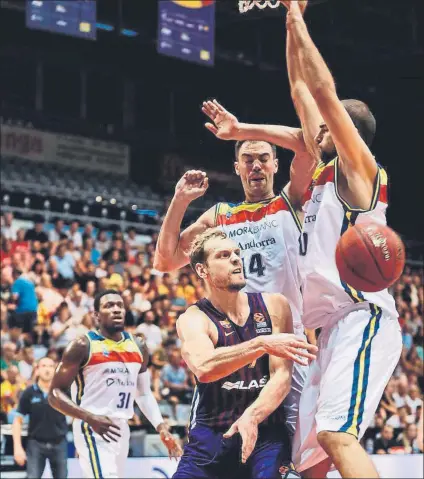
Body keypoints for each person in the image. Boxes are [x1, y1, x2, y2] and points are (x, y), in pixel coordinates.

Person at [154, 48, 322, 437]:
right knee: (229, 444)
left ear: (276, 165)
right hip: (237, 340)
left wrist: (242, 130)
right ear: (236, 168)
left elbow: (307, 142)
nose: (256, 165)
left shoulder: (291, 201)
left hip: (288, 338)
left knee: (291, 447)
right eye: (247, 159)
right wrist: (179, 201)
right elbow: (165, 261)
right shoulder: (220, 215)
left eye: (264, 158)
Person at [279, 2, 402, 478]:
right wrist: (288, 21)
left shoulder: (360, 172)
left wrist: (297, 20)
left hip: (361, 318)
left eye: (327, 128)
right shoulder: (325, 174)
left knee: (336, 435)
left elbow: (322, 92)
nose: (318, 132)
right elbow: (298, 88)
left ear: (346, 133)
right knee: (308, 464)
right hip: (328, 331)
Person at [173, 229, 317, 479]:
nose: (236, 259)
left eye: (237, 253)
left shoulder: (274, 305)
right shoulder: (194, 319)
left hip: (265, 432)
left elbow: (281, 377)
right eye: (224, 255)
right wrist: (261, 344)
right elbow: (205, 368)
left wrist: (252, 416)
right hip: (211, 436)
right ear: (202, 270)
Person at [48, 289, 182, 478]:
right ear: (96, 315)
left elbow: (143, 394)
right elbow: (54, 394)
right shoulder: (82, 345)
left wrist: (161, 427)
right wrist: (89, 418)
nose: (116, 309)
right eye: (109, 306)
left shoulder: (138, 346)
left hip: (121, 427)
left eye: (120, 305)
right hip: (92, 427)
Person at [12, 357, 68, 478]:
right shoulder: (29, 393)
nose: (47, 369)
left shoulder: (63, 392)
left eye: (50, 366)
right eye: (43, 366)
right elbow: (17, 421)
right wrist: (17, 447)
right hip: (36, 444)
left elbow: (77, 418)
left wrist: (80, 445)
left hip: (59, 443)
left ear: (55, 370)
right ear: (37, 370)